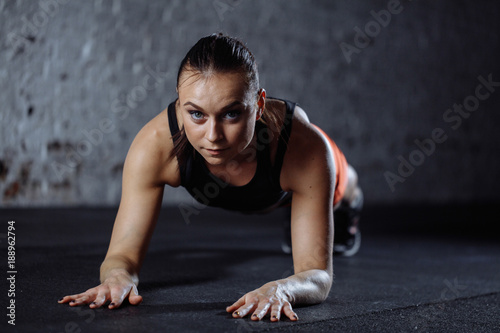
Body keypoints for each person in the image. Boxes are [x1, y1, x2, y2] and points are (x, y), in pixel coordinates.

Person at [58, 33, 363, 322]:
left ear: (257, 106)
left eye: (231, 114)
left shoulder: (303, 149)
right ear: (180, 103)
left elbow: (317, 275)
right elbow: (121, 255)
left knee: (343, 184)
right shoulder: (154, 147)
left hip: (292, 183)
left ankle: (349, 197)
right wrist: (117, 277)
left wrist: (282, 288)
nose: (213, 136)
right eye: (197, 114)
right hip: (268, 190)